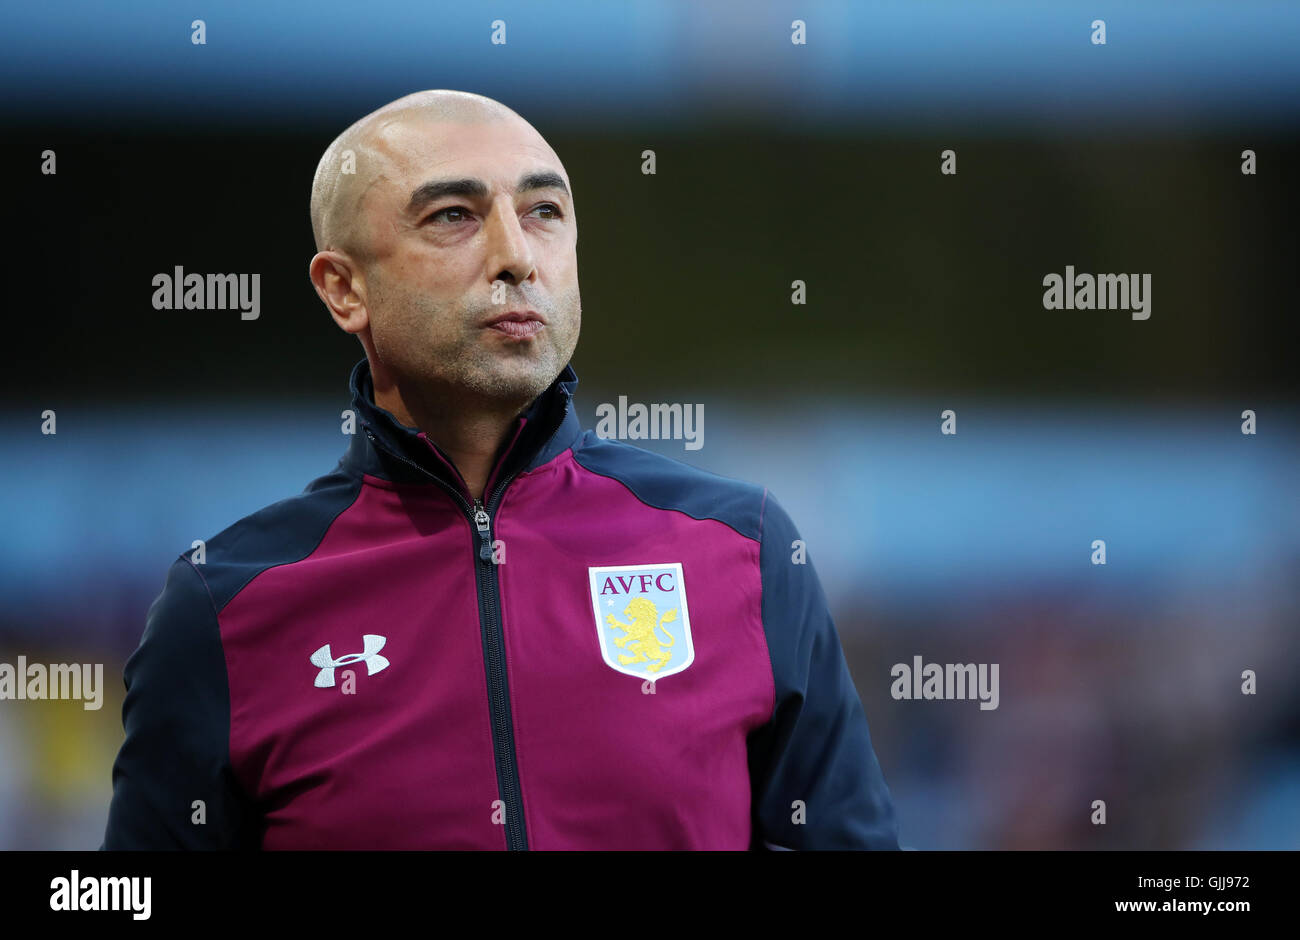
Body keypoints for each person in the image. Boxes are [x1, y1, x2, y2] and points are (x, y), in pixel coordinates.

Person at [100, 90, 899, 850]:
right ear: (344, 290)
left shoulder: (743, 550)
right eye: (455, 216)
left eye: (543, 212)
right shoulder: (224, 607)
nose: (516, 255)